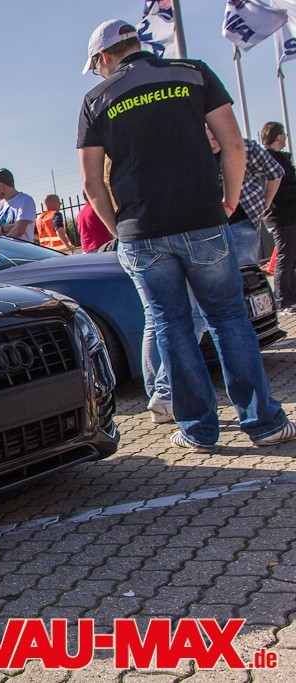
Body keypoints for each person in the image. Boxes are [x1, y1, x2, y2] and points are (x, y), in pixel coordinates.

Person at [77, 18, 296, 449]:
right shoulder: (192, 72)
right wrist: (228, 202)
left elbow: (91, 182)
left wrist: (118, 229)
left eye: (96, 66)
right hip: (203, 220)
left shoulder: (96, 99)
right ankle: (265, 425)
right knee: (228, 319)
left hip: (142, 232)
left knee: (171, 327)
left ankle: (197, 430)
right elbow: (234, 144)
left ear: (103, 57)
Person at [205, 127, 283, 267]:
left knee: (245, 271)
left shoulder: (244, 147)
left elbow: (276, 172)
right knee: (218, 273)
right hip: (213, 226)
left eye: (215, 138)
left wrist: (265, 204)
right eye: (207, 140)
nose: (212, 144)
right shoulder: (198, 154)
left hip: (242, 220)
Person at [262, 121, 296, 313]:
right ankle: (283, 300)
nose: (286, 138)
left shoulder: (281, 158)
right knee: (285, 257)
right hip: (280, 216)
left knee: (291, 257)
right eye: (284, 134)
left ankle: (291, 297)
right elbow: (275, 192)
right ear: (277, 136)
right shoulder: (269, 159)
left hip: (289, 215)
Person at [0, 168, 36, 242]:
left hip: (20, 249)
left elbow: (19, 230)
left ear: (1, 186)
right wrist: (3, 229)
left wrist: (3, 244)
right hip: (1, 249)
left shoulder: (25, 201)